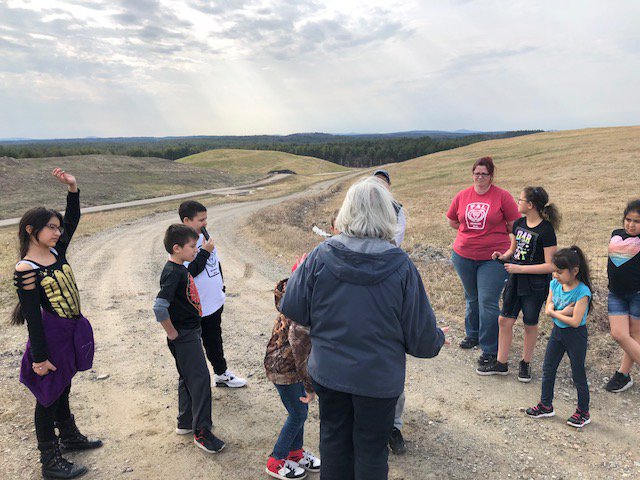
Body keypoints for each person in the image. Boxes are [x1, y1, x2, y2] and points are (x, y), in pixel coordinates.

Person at [281, 176, 447, 480]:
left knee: (333, 446)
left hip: (330, 373)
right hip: (378, 381)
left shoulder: (321, 255)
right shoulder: (401, 266)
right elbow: (422, 341)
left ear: (347, 211)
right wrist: (438, 338)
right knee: (371, 451)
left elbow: (292, 307)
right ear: (387, 213)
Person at [11, 168, 102, 479]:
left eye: (58, 228)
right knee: (46, 395)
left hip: (69, 331)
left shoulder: (55, 252)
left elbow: (72, 221)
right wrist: (39, 358)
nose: (58, 232)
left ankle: (69, 436)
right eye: (51, 228)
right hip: (49, 337)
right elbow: (33, 318)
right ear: (30, 230)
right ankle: (49, 461)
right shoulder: (26, 267)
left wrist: (73, 189)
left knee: (63, 386)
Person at [153, 224, 225, 453]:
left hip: (189, 333)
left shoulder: (180, 267)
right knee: (201, 381)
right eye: (192, 246)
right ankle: (202, 433)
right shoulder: (173, 273)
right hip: (184, 336)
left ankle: (185, 422)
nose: (196, 250)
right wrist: (172, 333)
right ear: (177, 248)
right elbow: (159, 308)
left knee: (187, 377)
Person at [477, 187, 560, 381]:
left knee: (530, 323)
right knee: (504, 320)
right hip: (515, 280)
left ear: (530, 205)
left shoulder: (546, 230)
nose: (518, 203)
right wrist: (502, 257)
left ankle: (525, 363)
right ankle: (501, 363)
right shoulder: (518, 224)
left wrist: (520, 269)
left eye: (520, 200)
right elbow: (513, 251)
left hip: (536, 284)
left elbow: (551, 266)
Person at [446, 156, 520, 366]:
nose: (479, 177)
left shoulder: (502, 196)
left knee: (487, 301)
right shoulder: (462, 195)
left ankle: (490, 348)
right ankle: (473, 334)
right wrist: (468, 233)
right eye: (476, 173)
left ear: (491, 176)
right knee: (472, 297)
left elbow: (514, 224)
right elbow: (453, 220)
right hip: (463, 255)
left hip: (493, 258)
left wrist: (494, 232)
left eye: (484, 174)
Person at [179, 201, 247, 388]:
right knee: (194, 348)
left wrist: (221, 287)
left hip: (214, 301)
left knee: (214, 340)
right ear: (186, 220)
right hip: (196, 307)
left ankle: (221, 374)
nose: (205, 223)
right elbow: (189, 272)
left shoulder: (205, 238)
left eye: (206, 218)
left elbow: (215, 264)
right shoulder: (181, 245)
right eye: (201, 220)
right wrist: (205, 252)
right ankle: (193, 383)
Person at [525, 247, 593, 428]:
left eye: (560, 272)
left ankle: (583, 412)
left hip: (575, 336)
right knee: (548, 368)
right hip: (558, 333)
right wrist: (561, 312)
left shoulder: (582, 292)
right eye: (554, 271)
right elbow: (548, 307)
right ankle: (546, 405)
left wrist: (554, 313)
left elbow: (576, 321)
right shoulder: (554, 284)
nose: (555, 275)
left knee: (578, 373)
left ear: (575, 271)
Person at [264, 273, 321, 480]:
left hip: (285, 366)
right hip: (284, 369)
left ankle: (295, 454)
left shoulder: (293, 300)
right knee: (298, 413)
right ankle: (276, 460)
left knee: (300, 411)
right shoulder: (299, 316)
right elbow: (301, 355)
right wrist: (310, 387)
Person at [373, 169, 408, 454]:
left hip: (386, 286)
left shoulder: (397, 210)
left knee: (391, 370)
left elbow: (396, 242)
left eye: (384, 183)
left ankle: (394, 427)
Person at [605, 199, 640, 393]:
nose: (631, 224)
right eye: (628, 219)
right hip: (616, 293)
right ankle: (624, 375)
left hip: (637, 295)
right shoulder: (616, 235)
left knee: (635, 336)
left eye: (637, 221)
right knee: (620, 334)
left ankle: (623, 374)